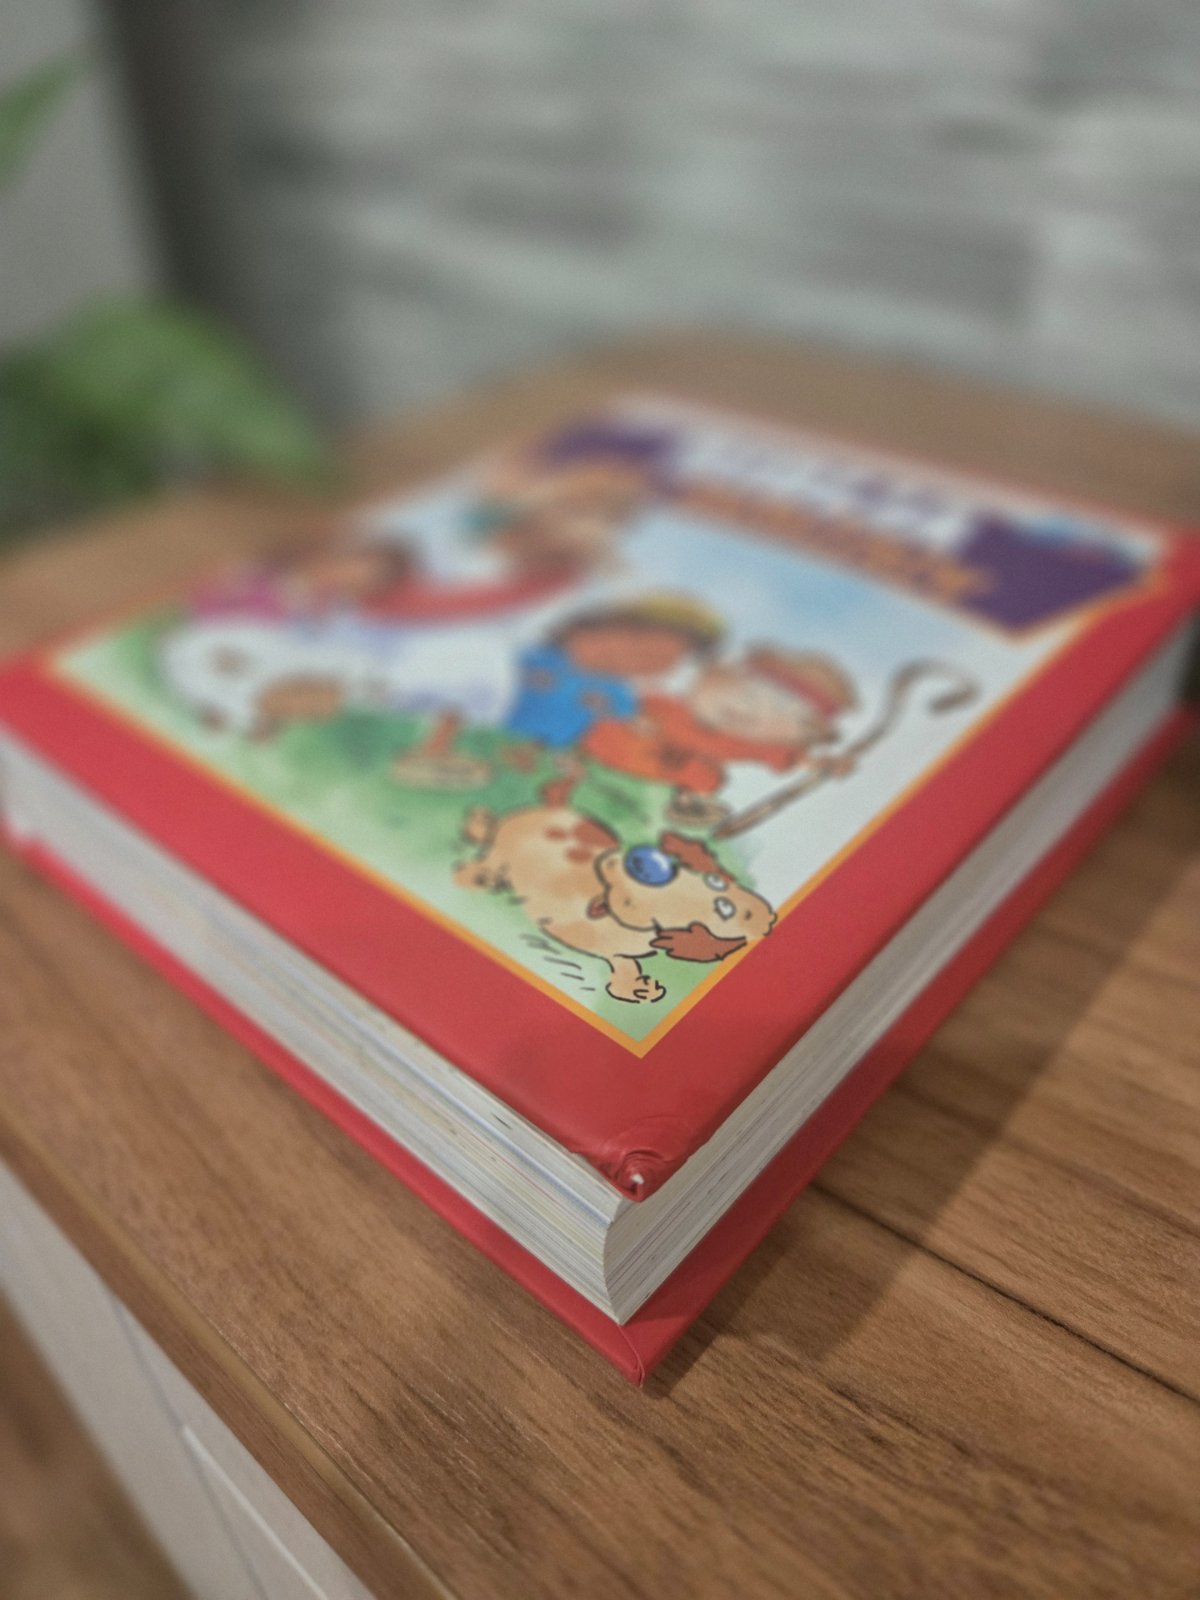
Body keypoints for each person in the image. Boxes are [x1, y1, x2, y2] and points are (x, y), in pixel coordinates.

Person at [582, 647, 860, 827]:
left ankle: (683, 806)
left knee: (707, 777)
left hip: (660, 776)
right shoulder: (664, 702)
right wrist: (630, 715)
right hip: (613, 745)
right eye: (750, 693)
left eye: (779, 719)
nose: (749, 711)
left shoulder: (741, 744)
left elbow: (795, 758)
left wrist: (825, 764)